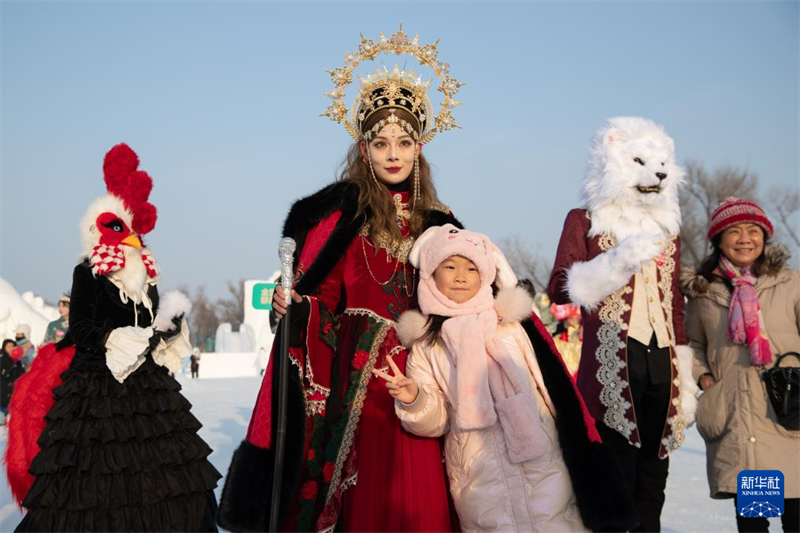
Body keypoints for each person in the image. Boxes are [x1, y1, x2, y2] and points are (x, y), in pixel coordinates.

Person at [218, 28, 463, 533]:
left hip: (424, 372)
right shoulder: (343, 216)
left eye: (403, 142)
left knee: (425, 491)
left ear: (418, 147)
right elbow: (323, 293)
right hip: (358, 382)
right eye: (380, 143)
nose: (392, 153)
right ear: (364, 148)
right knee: (369, 491)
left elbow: (465, 292)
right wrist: (296, 306)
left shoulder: (440, 223)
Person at [9, 143, 220, 532]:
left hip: (147, 389)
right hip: (97, 388)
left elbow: (149, 325)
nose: (132, 238)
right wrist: (115, 338)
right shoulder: (88, 271)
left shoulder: (146, 276)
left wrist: (167, 327)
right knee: (91, 484)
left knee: (169, 475)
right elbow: (81, 327)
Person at [377, 225, 636, 532]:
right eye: (450, 267)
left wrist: (576, 438)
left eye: (472, 268)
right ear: (431, 275)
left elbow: (548, 386)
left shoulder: (511, 326)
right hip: (478, 470)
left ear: (486, 275)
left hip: (543, 459)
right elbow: (437, 420)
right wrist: (415, 399)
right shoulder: (428, 344)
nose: (461, 276)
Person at [548, 117, 698, 532]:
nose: (657, 174)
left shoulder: (668, 233)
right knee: (617, 472)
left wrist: (684, 373)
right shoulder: (585, 220)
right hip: (612, 363)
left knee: (654, 476)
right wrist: (614, 263)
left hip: (663, 362)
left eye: (662, 164)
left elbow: (675, 306)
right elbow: (559, 287)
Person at [681, 197, 800, 532]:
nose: (745, 239)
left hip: (789, 415)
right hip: (742, 422)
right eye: (734, 231)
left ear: (765, 237)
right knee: (754, 524)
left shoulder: (790, 282)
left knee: (796, 518)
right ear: (719, 240)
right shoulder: (704, 293)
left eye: (753, 230)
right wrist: (704, 377)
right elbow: (694, 344)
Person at [1, 339, 24, 425]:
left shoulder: (18, 361)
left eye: (13, 346)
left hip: (13, 396)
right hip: (2, 396)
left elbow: (21, 375)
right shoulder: (1, 359)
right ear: (4, 347)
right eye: (8, 346)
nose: (11, 348)